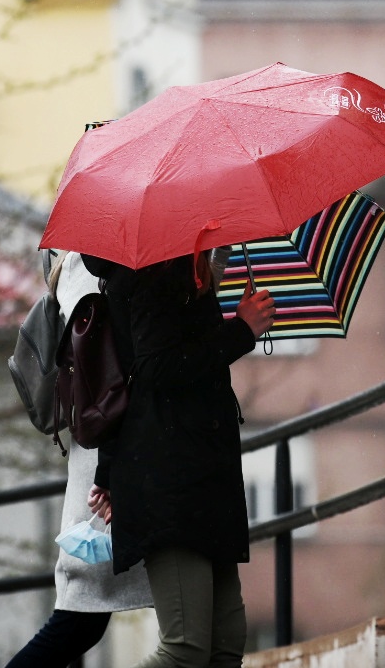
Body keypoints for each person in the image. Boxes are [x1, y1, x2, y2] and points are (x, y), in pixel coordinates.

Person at [84, 249, 276, 668]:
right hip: (171, 477)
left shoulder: (183, 266)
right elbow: (155, 368)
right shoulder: (158, 267)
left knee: (224, 646)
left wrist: (109, 470)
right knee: (186, 649)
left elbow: (129, 375)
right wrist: (242, 331)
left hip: (202, 472)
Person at [4, 250, 153, 668]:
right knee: (80, 618)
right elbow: (116, 368)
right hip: (111, 464)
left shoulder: (89, 267)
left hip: (117, 457)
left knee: (86, 618)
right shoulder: (88, 270)